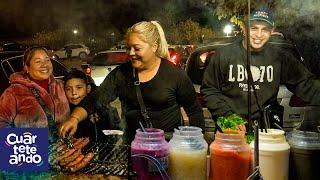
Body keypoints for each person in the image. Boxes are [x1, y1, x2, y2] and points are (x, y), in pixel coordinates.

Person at [59, 21, 205, 143]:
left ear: (154, 46)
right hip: (133, 145)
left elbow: (194, 111)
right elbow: (95, 99)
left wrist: (197, 143)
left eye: (137, 48)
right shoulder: (121, 74)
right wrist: (74, 118)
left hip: (167, 146)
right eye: (128, 48)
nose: (131, 53)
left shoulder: (174, 74)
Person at [201, 8, 320, 126]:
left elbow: (305, 84)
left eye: (265, 30)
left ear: (271, 31)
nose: (259, 35)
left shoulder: (280, 57)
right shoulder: (224, 55)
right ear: (244, 28)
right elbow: (210, 90)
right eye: (254, 28)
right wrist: (228, 119)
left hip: (266, 130)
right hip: (231, 130)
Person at [0, 46, 70, 140]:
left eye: (47, 60)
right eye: (38, 61)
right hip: (32, 151)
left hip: (66, 149)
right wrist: (31, 145)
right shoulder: (13, 92)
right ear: (26, 68)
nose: (45, 65)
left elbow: (81, 99)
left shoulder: (61, 86)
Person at [63, 69, 121, 142]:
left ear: (88, 89)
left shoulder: (102, 107)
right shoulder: (65, 111)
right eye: (68, 89)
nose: (74, 93)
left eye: (79, 88)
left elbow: (117, 130)